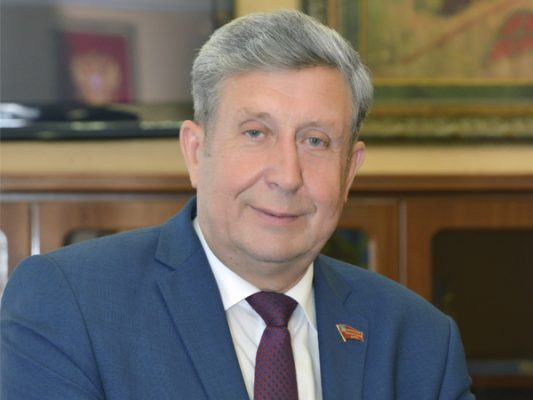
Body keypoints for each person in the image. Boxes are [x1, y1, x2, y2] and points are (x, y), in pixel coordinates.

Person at [0, 10, 473, 400]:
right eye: (255, 133)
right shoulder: (70, 302)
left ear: (350, 171)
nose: (287, 175)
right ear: (195, 152)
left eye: (315, 140)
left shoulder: (421, 341)